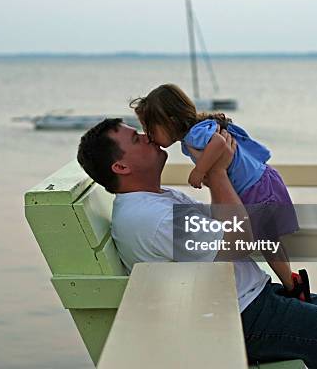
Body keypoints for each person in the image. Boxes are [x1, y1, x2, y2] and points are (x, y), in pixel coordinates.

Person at [76, 118, 317, 369]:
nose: (147, 136)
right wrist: (217, 173)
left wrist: (228, 171)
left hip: (249, 297)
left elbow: (227, 230)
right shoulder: (151, 217)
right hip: (241, 316)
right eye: (136, 139)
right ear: (121, 167)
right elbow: (240, 240)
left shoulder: (154, 200)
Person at [130, 83, 307, 299]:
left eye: (150, 128)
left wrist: (199, 170)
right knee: (269, 242)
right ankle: (293, 283)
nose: (148, 136)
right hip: (258, 183)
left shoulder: (195, 134)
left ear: (170, 121)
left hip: (255, 187)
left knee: (266, 242)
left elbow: (220, 144)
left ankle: (293, 286)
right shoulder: (196, 133)